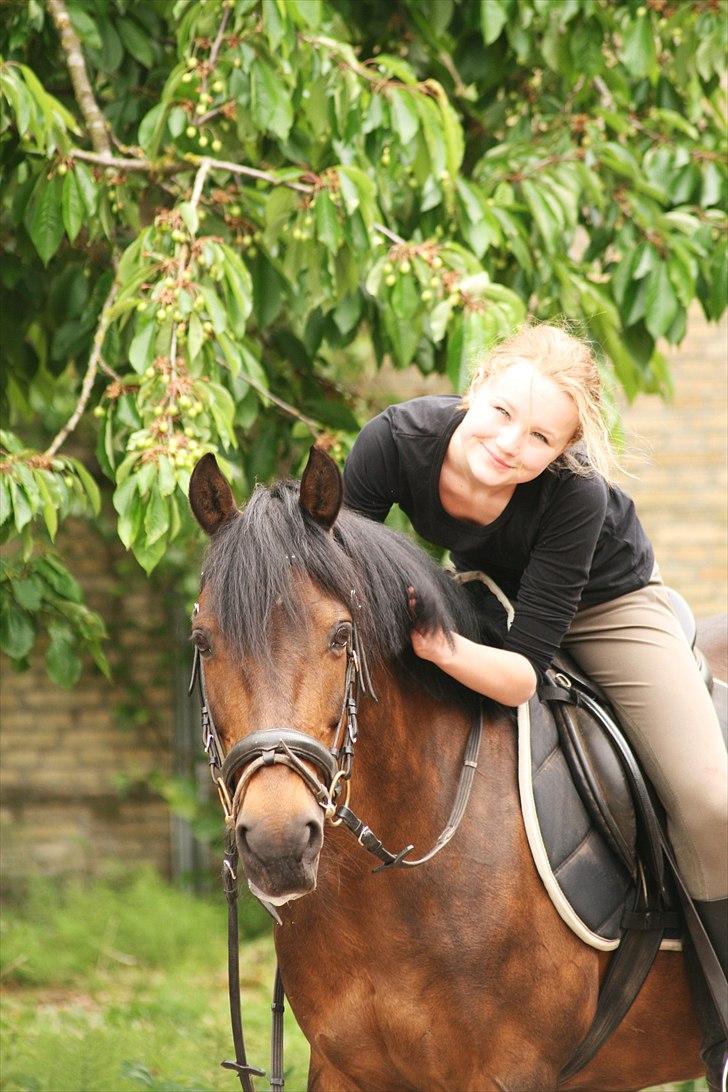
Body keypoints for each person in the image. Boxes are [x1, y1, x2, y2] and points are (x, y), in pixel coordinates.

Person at [342, 322, 727, 1086]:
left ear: (565, 451)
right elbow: (338, 570)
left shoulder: (576, 496)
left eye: (542, 435)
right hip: (486, 599)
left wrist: (441, 648)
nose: (511, 443)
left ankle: (725, 1021)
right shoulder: (392, 442)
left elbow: (520, 674)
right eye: (502, 413)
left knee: (711, 799)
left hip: (608, 610)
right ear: (474, 388)